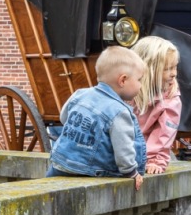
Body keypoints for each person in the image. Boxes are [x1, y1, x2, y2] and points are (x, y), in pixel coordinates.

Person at [47, 45, 148, 190]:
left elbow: (64, 118)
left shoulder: (80, 94)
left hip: (61, 162)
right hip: (90, 171)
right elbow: (123, 149)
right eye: (139, 80)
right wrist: (131, 172)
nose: (140, 86)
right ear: (123, 80)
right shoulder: (119, 111)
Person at [131, 36, 182, 174]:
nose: (174, 73)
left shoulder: (171, 98)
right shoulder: (126, 91)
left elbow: (164, 134)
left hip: (149, 152)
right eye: (168, 69)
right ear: (148, 69)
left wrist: (155, 160)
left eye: (175, 67)